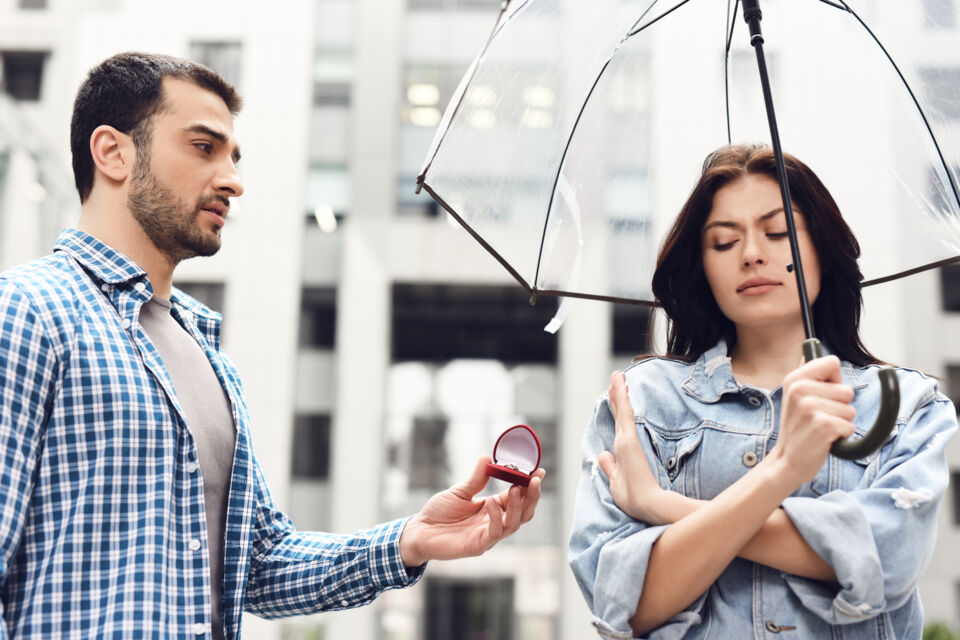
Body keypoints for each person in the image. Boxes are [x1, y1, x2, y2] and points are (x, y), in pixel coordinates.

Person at [0, 52, 544, 639]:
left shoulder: (209, 360)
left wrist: (409, 541)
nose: (233, 180)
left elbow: (258, 562)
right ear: (113, 152)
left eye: (234, 157)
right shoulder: (28, 311)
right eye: (203, 148)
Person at [568, 144, 957, 639]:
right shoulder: (642, 404)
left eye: (778, 233)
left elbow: (887, 559)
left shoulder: (901, 406)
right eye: (724, 243)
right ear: (702, 267)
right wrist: (783, 471)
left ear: (821, 246)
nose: (753, 254)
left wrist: (661, 506)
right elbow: (624, 603)